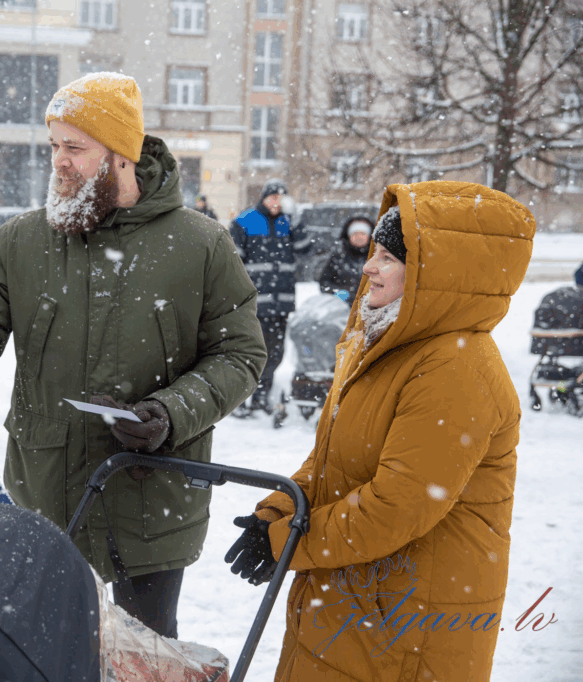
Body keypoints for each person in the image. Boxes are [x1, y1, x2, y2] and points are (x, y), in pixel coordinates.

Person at [0, 72, 267, 639]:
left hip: (152, 495)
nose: (59, 162)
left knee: (145, 656)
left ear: (120, 157)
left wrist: (170, 412)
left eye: (75, 148)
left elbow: (240, 354)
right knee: (47, 651)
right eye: (54, 146)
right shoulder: (21, 240)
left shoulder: (200, 244)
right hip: (47, 492)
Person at [224, 181, 534, 681]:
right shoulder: (389, 346)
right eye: (374, 252)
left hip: (405, 627)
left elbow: (396, 506)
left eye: (387, 257)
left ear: (437, 276)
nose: (368, 266)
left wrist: (288, 541)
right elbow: (334, 461)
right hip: (360, 608)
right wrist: (279, 510)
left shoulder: (455, 369)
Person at [229, 179, 311, 413]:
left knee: (275, 352)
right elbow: (234, 261)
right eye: (272, 197)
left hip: (282, 301)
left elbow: (305, 249)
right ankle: (243, 398)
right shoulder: (245, 222)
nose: (276, 203)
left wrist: (297, 221)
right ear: (263, 198)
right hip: (255, 301)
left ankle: (262, 395)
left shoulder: (289, 222)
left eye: (281, 198)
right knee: (252, 350)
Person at [317, 215, 373, 305]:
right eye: (355, 234)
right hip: (342, 309)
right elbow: (325, 282)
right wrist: (336, 292)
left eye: (362, 234)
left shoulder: (378, 257)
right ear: (348, 236)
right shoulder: (339, 257)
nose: (359, 237)